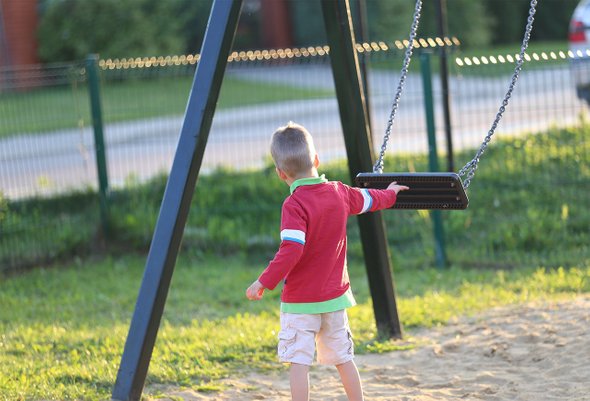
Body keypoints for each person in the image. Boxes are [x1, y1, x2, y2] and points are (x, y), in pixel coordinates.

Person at [246, 122, 409, 401]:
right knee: (343, 358)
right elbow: (370, 199)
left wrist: (263, 281)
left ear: (280, 173)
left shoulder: (294, 205)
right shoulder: (339, 192)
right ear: (317, 160)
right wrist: (391, 194)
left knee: (299, 361)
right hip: (334, 299)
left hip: (300, 302)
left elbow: (292, 249)